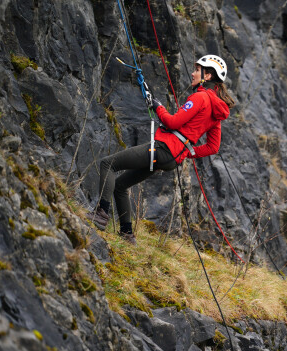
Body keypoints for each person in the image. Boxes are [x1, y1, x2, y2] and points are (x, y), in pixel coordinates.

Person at [87, 54, 235, 245]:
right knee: (121, 185)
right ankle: (127, 235)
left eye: (197, 70)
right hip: (172, 159)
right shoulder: (217, 110)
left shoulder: (200, 97)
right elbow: (213, 147)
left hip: (164, 148)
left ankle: (100, 214)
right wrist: (188, 152)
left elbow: (172, 121)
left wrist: (158, 107)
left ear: (207, 76)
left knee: (108, 164)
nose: (192, 73)